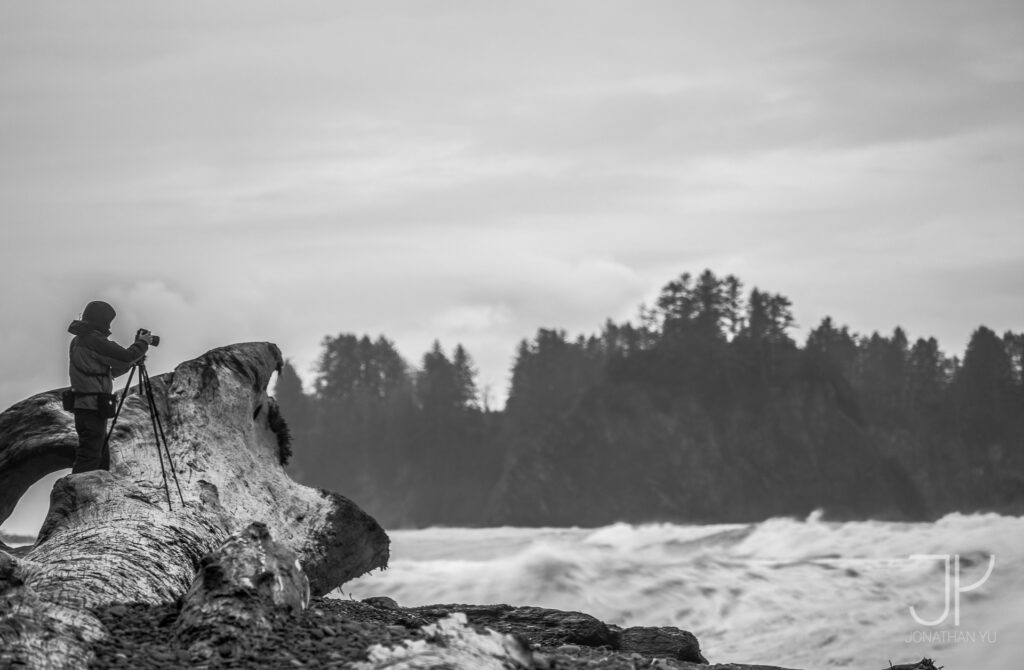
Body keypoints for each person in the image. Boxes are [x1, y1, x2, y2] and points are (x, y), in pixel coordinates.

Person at [67, 300, 153, 473]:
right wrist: (142, 343)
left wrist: (133, 360)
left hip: (86, 406)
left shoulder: (80, 340)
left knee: (98, 455)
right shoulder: (93, 340)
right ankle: (77, 492)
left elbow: (108, 371)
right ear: (102, 320)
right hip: (91, 407)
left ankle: (95, 492)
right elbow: (126, 356)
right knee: (90, 456)